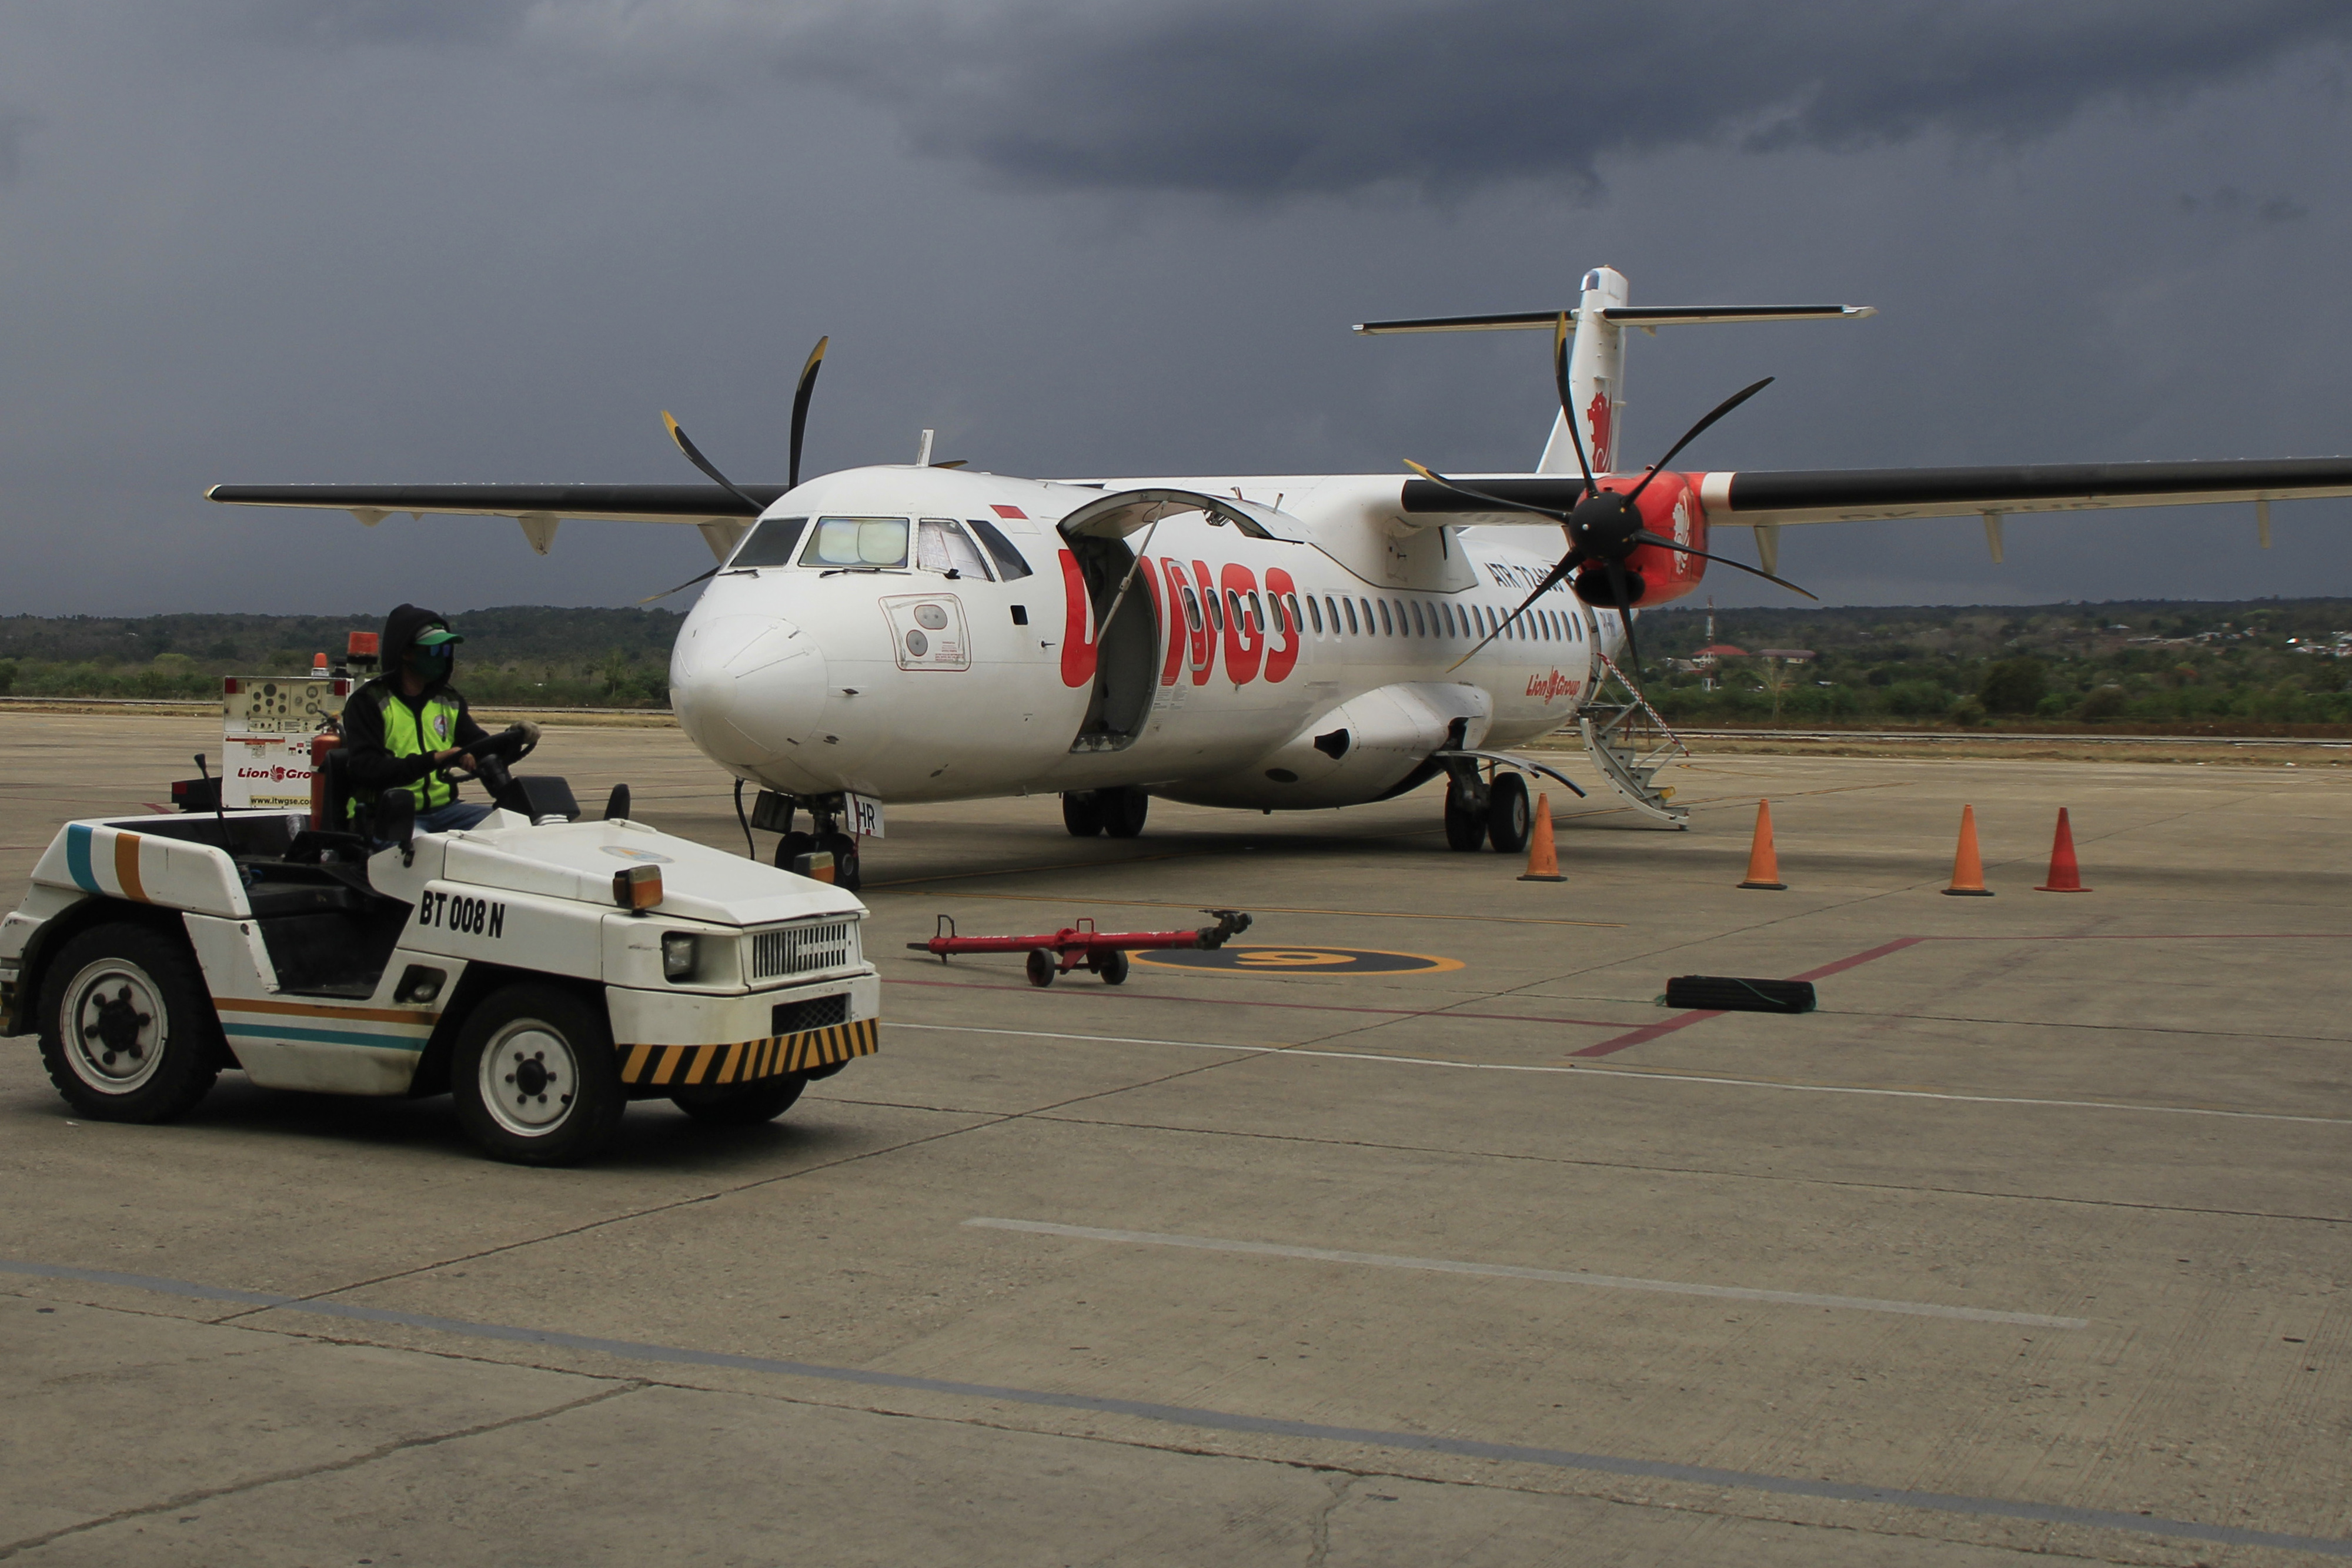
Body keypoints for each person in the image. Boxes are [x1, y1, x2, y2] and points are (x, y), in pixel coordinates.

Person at [340, 604, 531, 837]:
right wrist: (435, 760)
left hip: (446, 811)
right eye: (433, 651)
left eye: (446, 650)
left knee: (515, 830)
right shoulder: (370, 702)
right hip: (386, 813)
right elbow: (366, 768)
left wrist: (515, 737)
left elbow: (479, 744)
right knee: (424, 850)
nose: (441, 657)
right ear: (406, 652)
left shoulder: (448, 700)